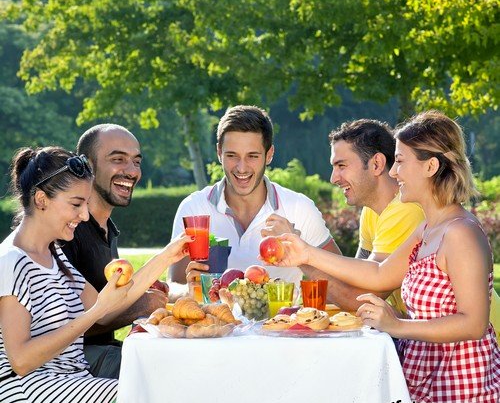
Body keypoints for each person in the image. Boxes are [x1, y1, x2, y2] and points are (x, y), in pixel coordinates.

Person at [274, 111, 499, 403]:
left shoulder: (461, 233)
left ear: (431, 167)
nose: (394, 172)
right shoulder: (428, 228)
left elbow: (474, 323)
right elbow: (378, 274)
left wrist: (397, 325)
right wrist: (305, 253)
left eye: (401, 161)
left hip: (460, 392)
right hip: (425, 384)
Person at [0, 147, 190, 403]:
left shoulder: (55, 256)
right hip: (33, 398)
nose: (85, 215)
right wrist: (95, 312)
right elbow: (21, 361)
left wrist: (167, 256)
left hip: (75, 384)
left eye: (86, 204)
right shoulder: (11, 262)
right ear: (41, 200)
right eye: (76, 204)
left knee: (168, 393)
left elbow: (110, 305)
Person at [170, 105, 340, 288]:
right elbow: (174, 284)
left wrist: (300, 255)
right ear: (219, 152)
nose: (241, 168)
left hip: (282, 317)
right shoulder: (194, 209)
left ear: (269, 155)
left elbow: (342, 281)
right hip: (215, 316)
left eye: (252, 156)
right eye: (232, 155)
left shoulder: (299, 209)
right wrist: (191, 288)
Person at [61, 124, 168, 378]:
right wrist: (139, 307)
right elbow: (63, 328)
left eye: (137, 162)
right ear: (87, 164)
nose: (131, 172)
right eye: (118, 159)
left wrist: (143, 295)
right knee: (171, 372)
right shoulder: (68, 230)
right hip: (73, 367)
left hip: (104, 352)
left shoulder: (108, 230)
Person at [303, 119, 425, 311]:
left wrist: (302, 257)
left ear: (376, 164)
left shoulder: (405, 209)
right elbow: (355, 283)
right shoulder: (372, 210)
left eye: (341, 166)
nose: (333, 178)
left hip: (455, 337)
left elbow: (359, 300)